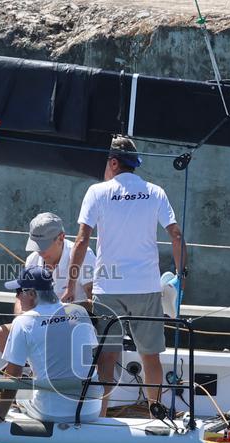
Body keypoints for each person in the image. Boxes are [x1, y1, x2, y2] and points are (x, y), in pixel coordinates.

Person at [64, 135, 185, 415]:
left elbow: (81, 240)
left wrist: (71, 284)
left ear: (114, 163)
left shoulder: (96, 192)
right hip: (146, 287)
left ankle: (101, 414)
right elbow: (176, 235)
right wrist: (180, 276)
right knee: (150, 356)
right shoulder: (155, 192)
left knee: (107, 355)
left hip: (108, 287)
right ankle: (156, 413)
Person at [0, 266, 101, 425]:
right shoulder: (79, 311)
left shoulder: (23, 322)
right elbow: (88, 355)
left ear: (32, 294)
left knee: (20, 396)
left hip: (53, 412)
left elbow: (13, 376)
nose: (17, 297)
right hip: (91, 410)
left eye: (18, 292)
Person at [0, 212, 95, 354]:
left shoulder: (84, 256)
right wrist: (21, 318)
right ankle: (27, 367)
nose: (39, 250)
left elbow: (96, 303)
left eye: (44, 245)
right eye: (36, 244)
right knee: (0, 334)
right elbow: (20, 297)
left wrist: (63, 310)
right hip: (40, 324)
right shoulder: (32, 259)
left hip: (73, 324)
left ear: (61, 238)